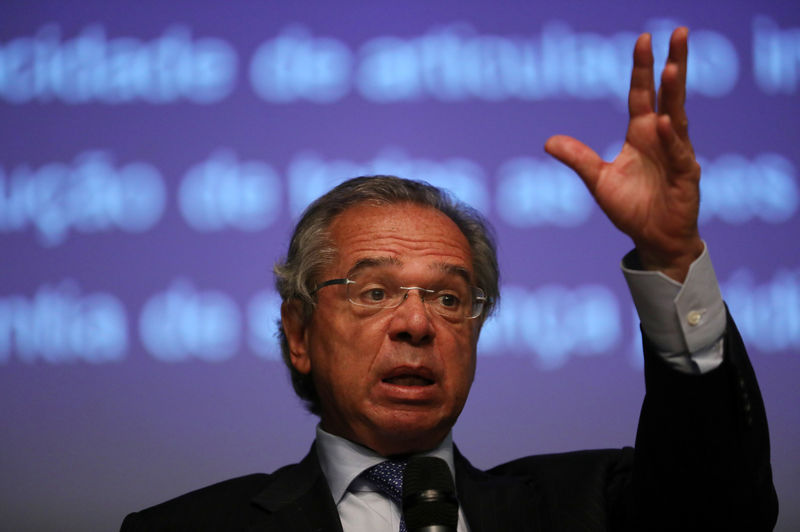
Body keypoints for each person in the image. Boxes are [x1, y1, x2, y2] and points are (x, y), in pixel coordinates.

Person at [120, 28, 778, 531]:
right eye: (374, 293)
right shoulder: (184, 527)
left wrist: (671, 255)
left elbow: (720, 506)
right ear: (299, 333)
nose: (415, 323)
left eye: (449, 298)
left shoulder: (587, 508)